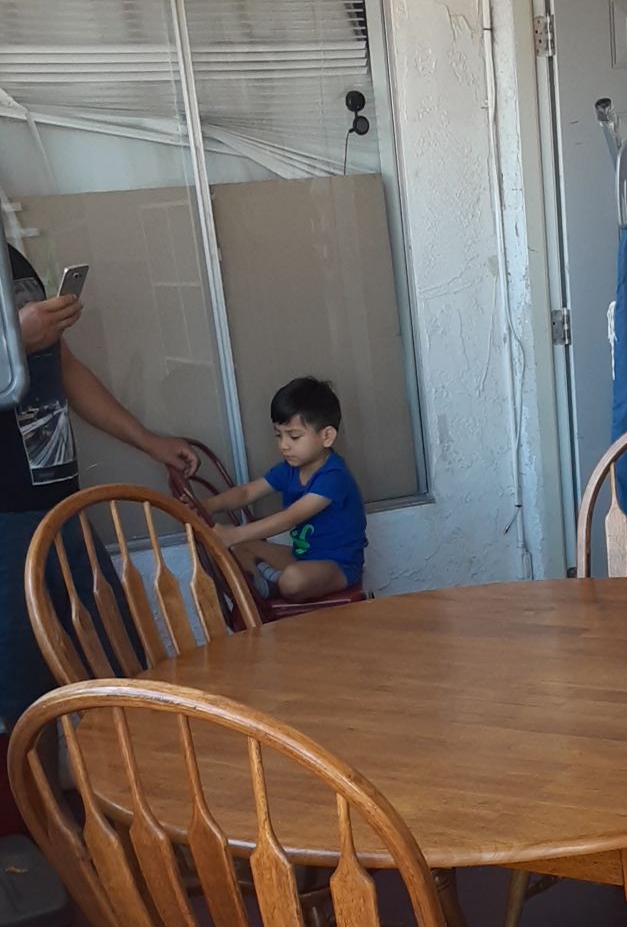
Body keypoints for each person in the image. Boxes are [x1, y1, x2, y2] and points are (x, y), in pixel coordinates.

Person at [0, 241, 198, 734]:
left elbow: (64, 369)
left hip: (63, 508)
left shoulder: (10, 257)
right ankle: (39, 811)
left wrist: (149, 442)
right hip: (4, 525)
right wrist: (13, 342)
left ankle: (133, 801)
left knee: (116, 670)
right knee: (26, 703)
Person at [206, 376, 366, 601]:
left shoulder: (334, 477)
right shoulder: (289, 470)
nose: (283, 445)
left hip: (337, 567)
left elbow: (289, 518)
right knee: (242, 547)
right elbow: (247, 492)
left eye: (294, 436)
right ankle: (266, 583)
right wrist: (206, 506)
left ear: (327, 436)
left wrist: (233, 534)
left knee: (293, 579)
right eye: (278, 435)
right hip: (302, 556)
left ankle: (269, 585)